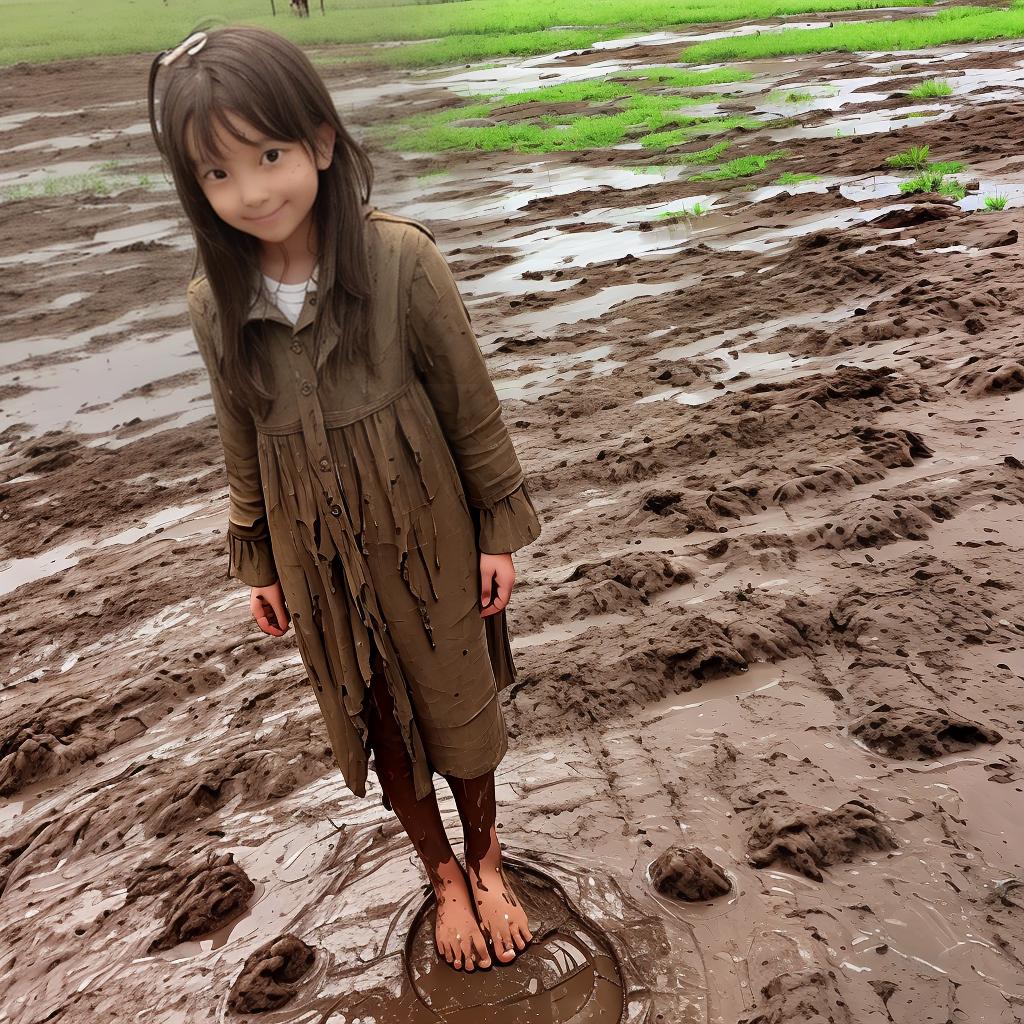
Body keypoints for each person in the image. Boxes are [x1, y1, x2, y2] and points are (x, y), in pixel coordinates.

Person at [146, 25, 543, 973]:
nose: (252, 192)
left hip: (427, 527)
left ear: (321, 141)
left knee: (456, 698)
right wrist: (259, 557)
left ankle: (487, 858)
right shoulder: (215, 300)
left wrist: (498, 531)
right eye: (218, 174)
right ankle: (441, 874)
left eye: (270, 156)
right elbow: (239, 433)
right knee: (374, 707)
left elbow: (470, 405)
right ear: (195, 188)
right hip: (313, 546)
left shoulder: (402, 261)